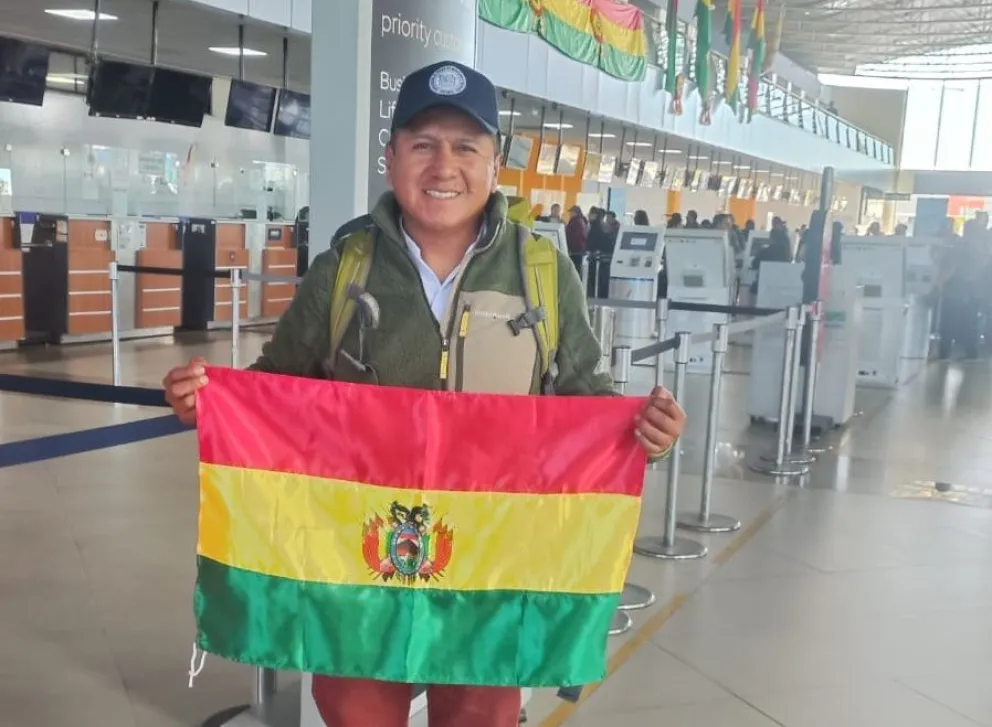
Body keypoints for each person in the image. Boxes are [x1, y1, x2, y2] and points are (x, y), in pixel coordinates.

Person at [161, 60, 686, 727]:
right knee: (355, 708)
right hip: (360, 560)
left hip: (494, 567)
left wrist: (650, 435)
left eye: (466, 146)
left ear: (496, 165)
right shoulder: (344, 269)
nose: (444, 166)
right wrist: (211, 402)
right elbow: (275, 386)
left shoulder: (544, 275)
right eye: (423, 144)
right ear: (391, 158)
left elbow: (591, 402)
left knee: (479, 711)